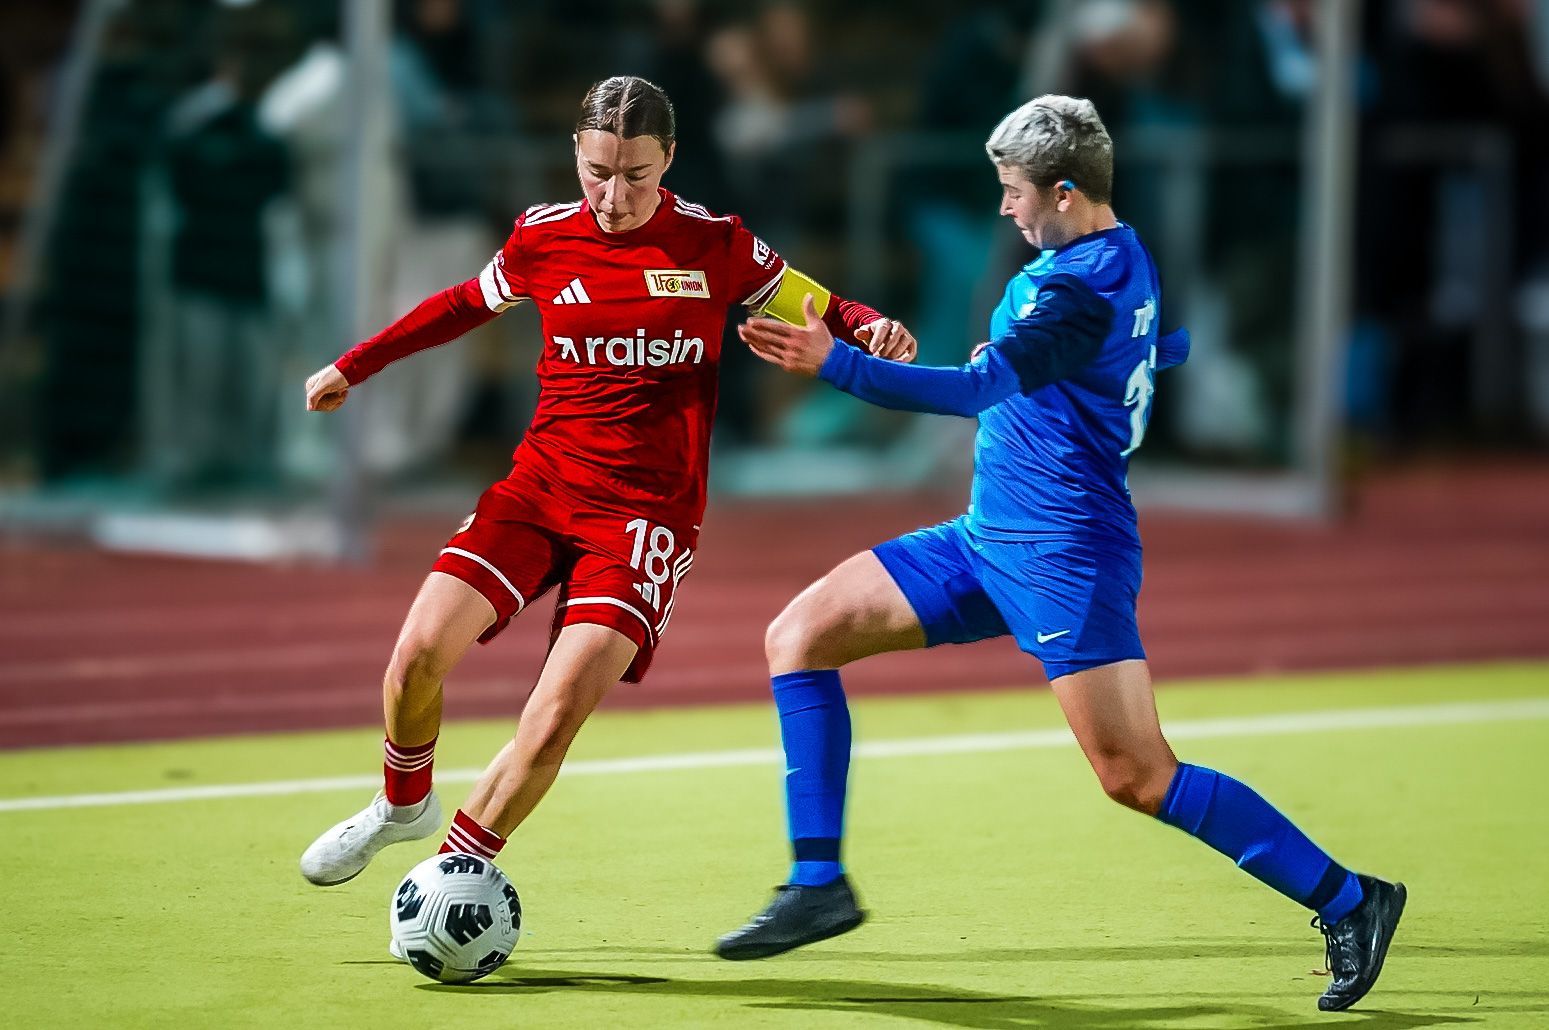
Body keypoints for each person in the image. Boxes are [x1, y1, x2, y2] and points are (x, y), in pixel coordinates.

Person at [716, 95, 1405, 1014]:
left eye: (1013, 191)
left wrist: (833, 362)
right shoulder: (1119, 260)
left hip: (1062, 554)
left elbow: (975, 391)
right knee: (799, 635)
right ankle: (816, 885)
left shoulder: (1072, 286)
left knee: (1136, 775)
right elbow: (1165, 343)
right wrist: (1111, 362)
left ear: (1066, 192)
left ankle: (1351, 900)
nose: (1005, 208)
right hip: (982, 537)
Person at [296, 77, 918, 940]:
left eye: (634, 174)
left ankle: (456, 867)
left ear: (669, 160)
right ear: (575, 158)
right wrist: (351, 367)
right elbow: (457, 308)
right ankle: (404, 803)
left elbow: (820, 303)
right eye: (597, 172)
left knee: (552, 716)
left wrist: (870, 325)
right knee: (414, 658)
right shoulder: (543, 236)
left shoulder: (714, 245)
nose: (614, 196)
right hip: (539, 486)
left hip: (646, 521)